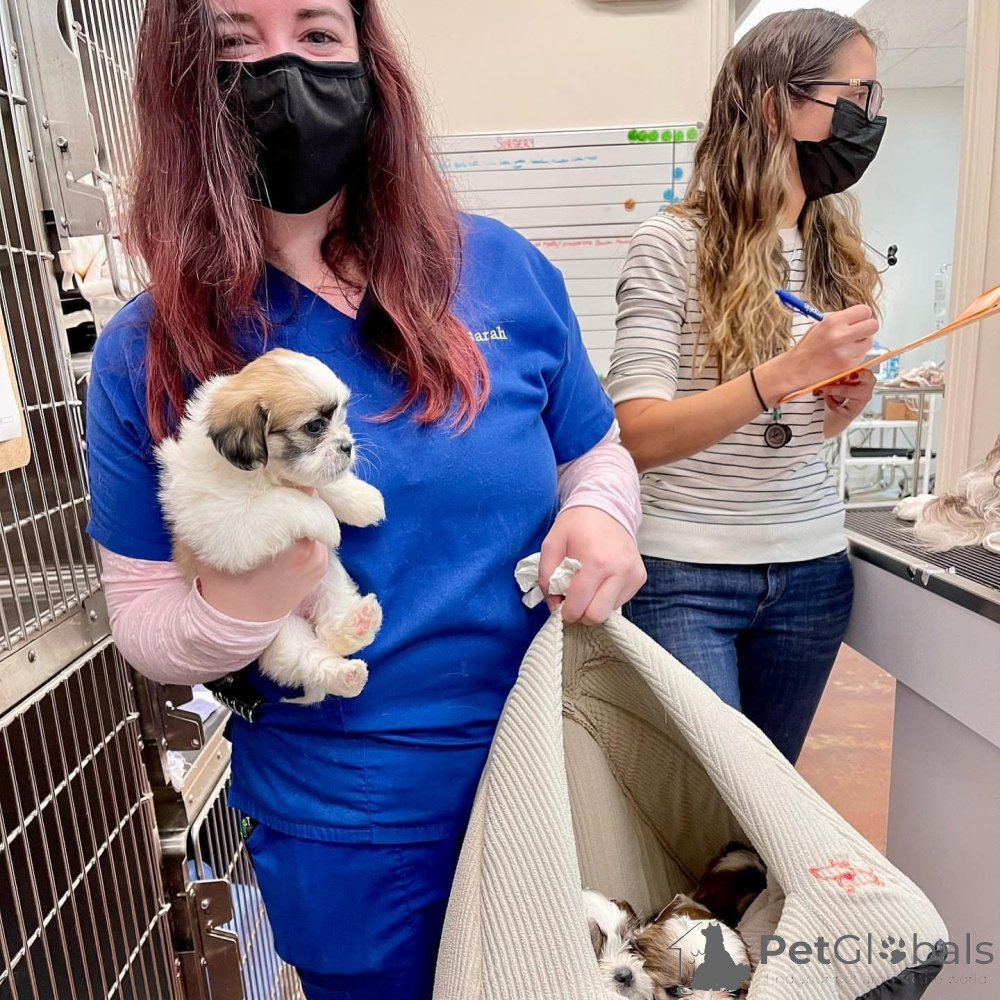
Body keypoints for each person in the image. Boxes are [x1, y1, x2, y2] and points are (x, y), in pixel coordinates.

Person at [84, 2, 645, 997]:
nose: (283, 73)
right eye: (234, 45)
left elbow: (593, 452)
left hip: (553, 762)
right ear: (181, 87)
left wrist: (601, 513)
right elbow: (144, 627)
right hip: (354, 816)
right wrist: (250, 598)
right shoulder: (149, 350)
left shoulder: (496, 268)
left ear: (367, 62)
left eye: (316, 36)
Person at [608, 8, 886, 764]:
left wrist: (841, 404)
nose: (869, 120)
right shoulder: (672, 244)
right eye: (852, 97)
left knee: (765, 808)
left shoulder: (832, 250)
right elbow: (637, 434)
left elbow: (789, 434)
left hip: (812, 567)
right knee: (706, 804)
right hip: (683, 574)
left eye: (874, 97)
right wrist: (788, 372)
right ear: (773, 105)